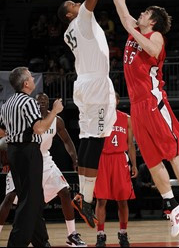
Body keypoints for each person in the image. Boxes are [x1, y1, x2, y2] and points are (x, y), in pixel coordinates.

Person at [106, 0, 179, 238]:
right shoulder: (137, 28)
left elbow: (152, 50)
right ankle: (171, 207)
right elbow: (120, 4)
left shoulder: (154, 35)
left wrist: (132, 30)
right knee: (150, 159)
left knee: (173, 150)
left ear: (153, 21)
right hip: (136, 105)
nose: (140, 13)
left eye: (145, 13)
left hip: (153, 100)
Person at [57, 0, 117, 229]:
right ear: (70, 13)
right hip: (94, 84)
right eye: (73, 3)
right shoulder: (80, 20)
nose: (78, 2)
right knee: (96, 140)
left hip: (83, 84)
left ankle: (83, 194)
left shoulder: (72, 30)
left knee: (86, 137)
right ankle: (87, 198)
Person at [0, 93, 86, 247]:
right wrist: (6, 158)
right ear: (34, 103)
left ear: (48, 103)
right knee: (9, 199)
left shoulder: (56, 121)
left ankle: (72, 235)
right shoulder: (27, 118)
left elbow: (67, 140)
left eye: (44, 101)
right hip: (25, 161)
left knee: (65, 192)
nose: (41, 103)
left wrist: (75, 158)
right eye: (38, 101)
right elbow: (7, 137)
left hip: (45, 160)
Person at [0, 67, 63, 247]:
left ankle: (41, 241)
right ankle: (16, 243)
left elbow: (1, 131)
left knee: (33, 197)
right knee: (29, 200)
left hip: (14, 152)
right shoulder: (28, 102)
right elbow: (39, 128)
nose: (34, 80)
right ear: (26, 83)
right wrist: (55, 111)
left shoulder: (8, 103)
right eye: (31, 78)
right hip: (28, 151)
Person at [93, 92, 138, 247]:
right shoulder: (99, 118)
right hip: (103, 159)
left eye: (113, 99)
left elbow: (131, 144)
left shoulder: (127, 118)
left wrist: (134, 164)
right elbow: (93, 142)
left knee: (122, 199)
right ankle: (100, 234)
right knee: (101, 199)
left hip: (120, 159)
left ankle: (123, 233)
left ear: (118, 101)